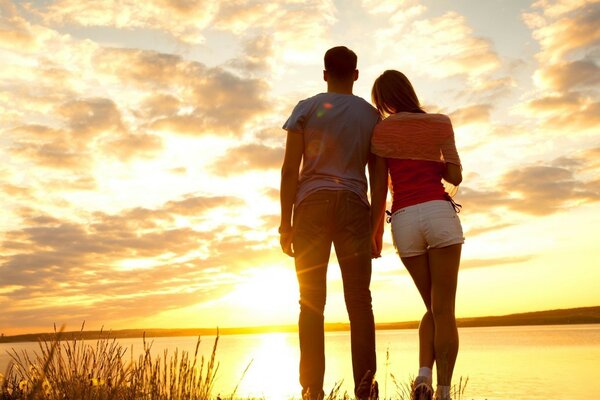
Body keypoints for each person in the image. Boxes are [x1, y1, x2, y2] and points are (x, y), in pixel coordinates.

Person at [279, 46, 386, 400]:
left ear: (324, 74)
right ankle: (365, 388)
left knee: (310, 301)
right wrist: (376, 228)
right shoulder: (371, 116)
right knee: (359, 301)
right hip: (354, 206)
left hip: (310, 206)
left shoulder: (306, 109)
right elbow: (378, 176)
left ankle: (312, 390)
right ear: (356, 75)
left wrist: (285, 223)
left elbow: (289, 169)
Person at [369, 70, 464, 400]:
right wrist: (432, 163)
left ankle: (423, 376)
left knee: (433, 308)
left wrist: (376, 232)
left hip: (405, 220)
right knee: (444, 310)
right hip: (438, 213)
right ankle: (444, 391)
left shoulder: (381, 130)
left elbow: (379, 186)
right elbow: (455, 174)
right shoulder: (440, 123)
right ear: (409, 91)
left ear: (382, 100)